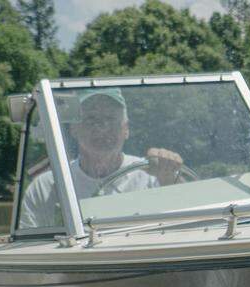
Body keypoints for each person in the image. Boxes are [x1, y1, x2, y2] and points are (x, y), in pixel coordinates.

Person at [19, 88, 186, 229]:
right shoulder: (46, 187)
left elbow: (186, 228)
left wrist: (170, 178)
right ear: (74, 129)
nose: (102, 128)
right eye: (92, 119)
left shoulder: (154, 178)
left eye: (111, 119)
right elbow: (28, 248)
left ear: (125, 129)